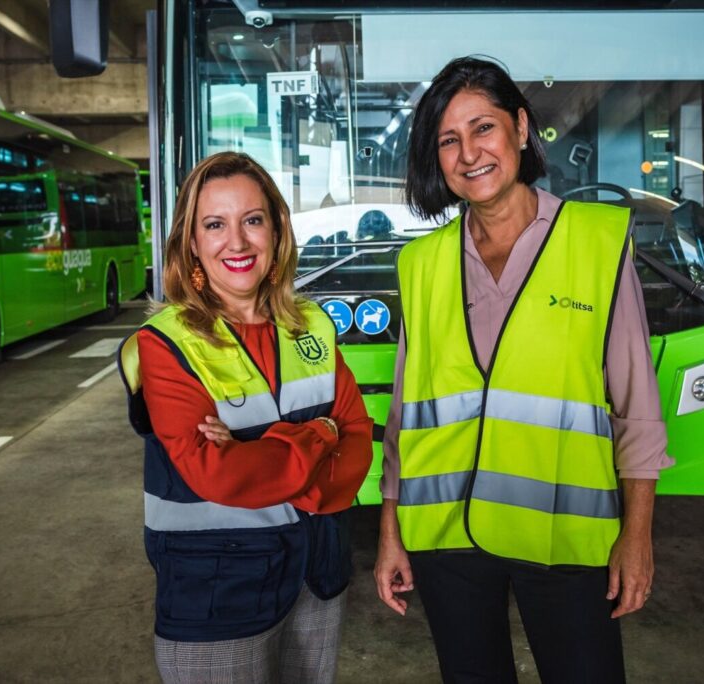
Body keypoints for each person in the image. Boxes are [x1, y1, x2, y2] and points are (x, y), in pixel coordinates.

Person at [373, 57, 674, 683]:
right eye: (448, 140)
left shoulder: (594, 241)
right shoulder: (421, 263)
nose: (469, 153)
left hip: (562, 534)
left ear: (521, 128)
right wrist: (390, 532)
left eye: (483, 128)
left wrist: (637, 534)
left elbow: (636, 403)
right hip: (444, 537)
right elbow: (406, 416)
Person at [118, 151, 373, 683]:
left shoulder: (312, 326)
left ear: (277, 232)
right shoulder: (165, 344)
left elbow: (357, 450)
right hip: (217, 596)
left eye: (252, 220)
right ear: (191, 241)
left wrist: (263, 448)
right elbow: (219, 475)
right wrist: (318, 434)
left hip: (316, 579)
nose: (236, 242)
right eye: (215, 224)